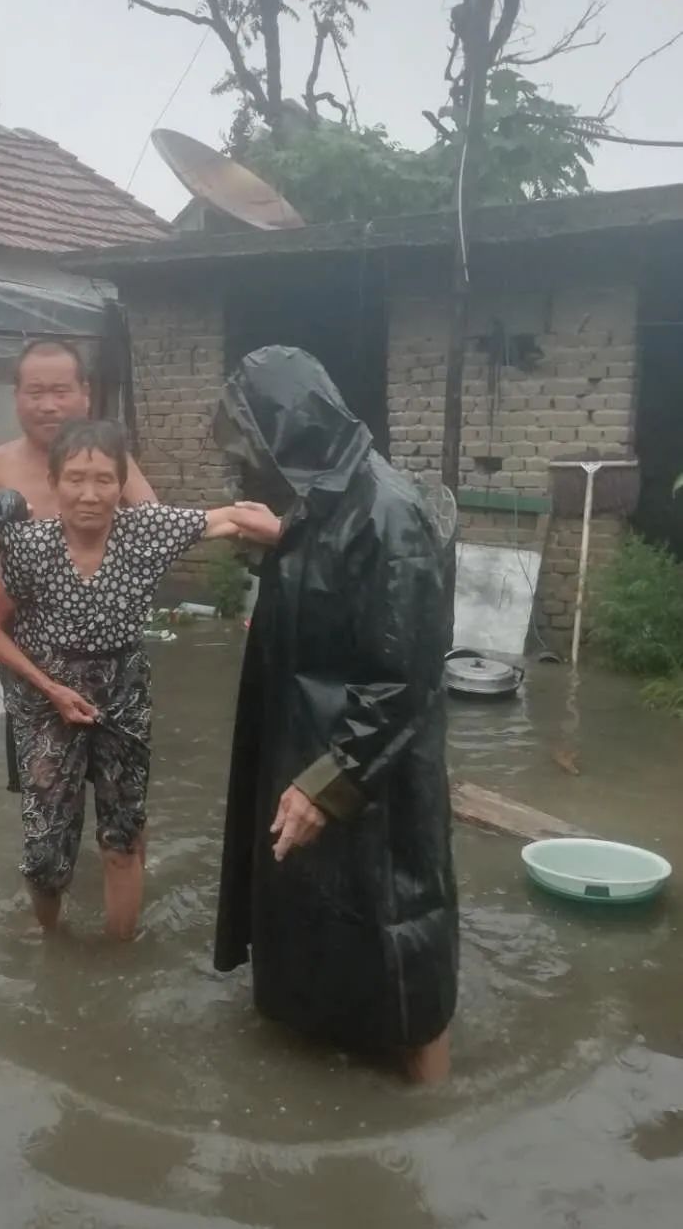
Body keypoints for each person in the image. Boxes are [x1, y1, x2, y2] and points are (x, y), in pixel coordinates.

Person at [212, 345, 458, 1085]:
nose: (246, 457)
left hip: (369, 773)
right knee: (324, 916)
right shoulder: (323, 502)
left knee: (398, 926)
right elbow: (330, 598)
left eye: (253, 439)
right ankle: (329, 1056)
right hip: (309, 752)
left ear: (292, 428)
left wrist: (330, 781)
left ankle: (430, 1109)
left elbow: (401, 680)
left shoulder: (389, 513)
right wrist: (281, 538)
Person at [0, 418, 260, 941]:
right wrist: (51, 688)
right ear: (55, 483)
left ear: (121, 483)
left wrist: (296, 531)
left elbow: (228, 521)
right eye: (76, 478)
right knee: (45, 853)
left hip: (122, 699)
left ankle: (119, 960)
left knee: (122, 838)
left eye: (104, 479)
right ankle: (51, 945)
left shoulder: (144, 532)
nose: (89, 494)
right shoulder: (31, 547)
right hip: (46, 701)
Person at [0, 339, 155, 791]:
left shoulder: (110, 458)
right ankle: (57, 858)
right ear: (17, 396)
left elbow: (152, 525)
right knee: (44, 788)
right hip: (29, 653)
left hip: (108, 653)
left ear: (84, 393)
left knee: (123, 794)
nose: (48, 405)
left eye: (61, 391)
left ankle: (116, 854)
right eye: (35, 392)